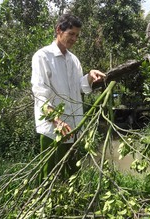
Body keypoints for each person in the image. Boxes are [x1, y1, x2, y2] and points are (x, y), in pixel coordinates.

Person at [31, 13, 106, 183]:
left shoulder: (74, 60)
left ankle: (73, 205)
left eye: (77, 35)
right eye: (71, 34)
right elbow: (40, 92)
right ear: (59, 30)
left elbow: (78, 87)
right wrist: (56, 120)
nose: (74, 39)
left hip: (73, 125)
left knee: (73, 172)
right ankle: (47, 206)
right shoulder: (42, 56)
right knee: (49, 174)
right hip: (53, 128)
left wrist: (89, 76)